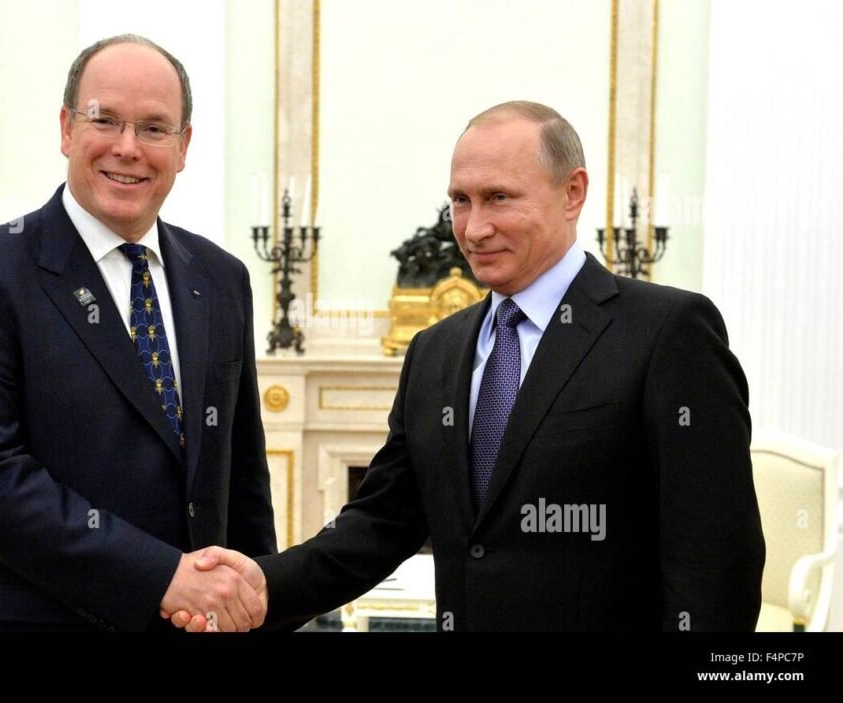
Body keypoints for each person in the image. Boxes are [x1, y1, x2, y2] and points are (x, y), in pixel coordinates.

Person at [172, 100, 766, 632]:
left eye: (499, 198)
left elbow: (717, 562)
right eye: (461, 201)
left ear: (573, 192)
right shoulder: (435, 351)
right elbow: (381, 522)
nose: (474, 228)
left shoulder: (667, 333)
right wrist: (264, 586)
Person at [0, 34, 274, 632]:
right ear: (66, 129)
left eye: (154, 128)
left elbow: (242, 477)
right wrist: (161, 576)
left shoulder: (220, 277)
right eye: (105, 120)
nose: (128, 148)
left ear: (183, 146)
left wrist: (256, 606)